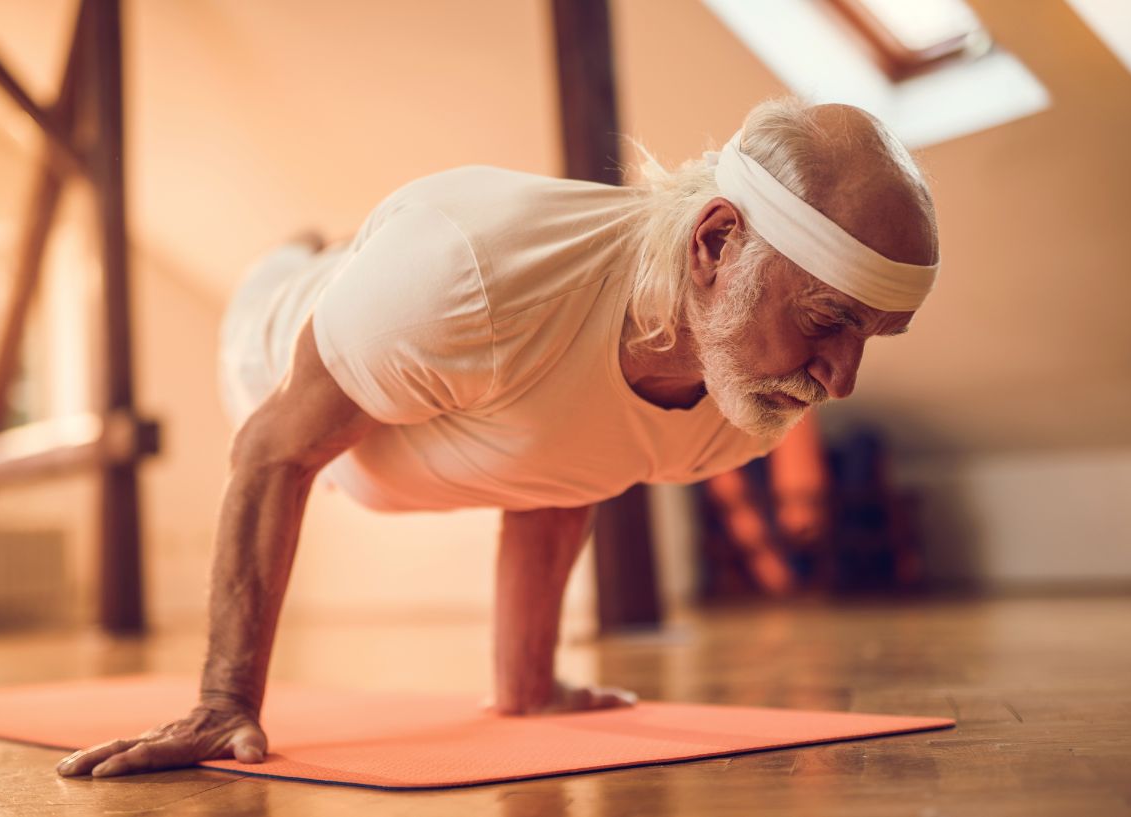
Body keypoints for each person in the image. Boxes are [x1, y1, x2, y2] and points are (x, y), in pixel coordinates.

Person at [56, 97, 940, 778]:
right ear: (716, 244)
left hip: (425, 386)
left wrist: (528, 685)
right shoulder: (470, 276)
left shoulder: (743, 400)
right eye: (828, 319)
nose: (841, 377)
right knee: (286, 277)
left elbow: (570, 464)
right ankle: (298, 250)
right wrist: (223, 700)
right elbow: (270, 448)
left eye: (869, 336)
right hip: (267, 347)